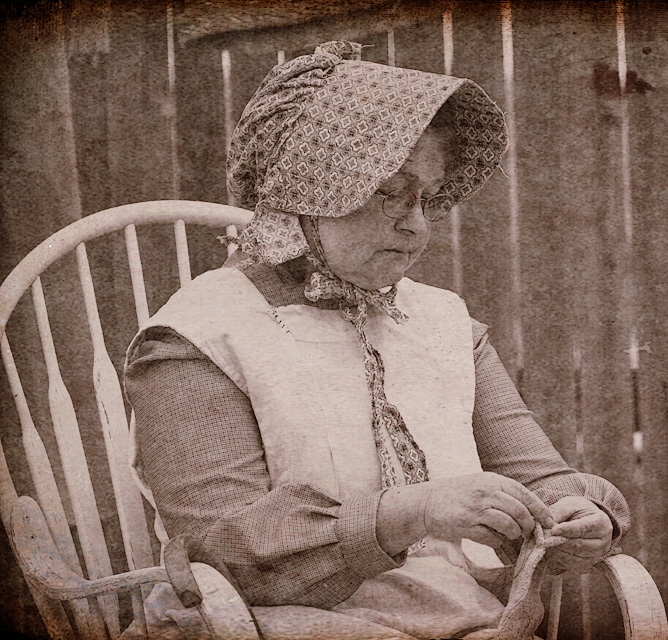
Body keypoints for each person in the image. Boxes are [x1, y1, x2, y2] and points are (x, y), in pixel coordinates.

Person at [124, 41, 630, 640]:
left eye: (426, 200)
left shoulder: (442, 325)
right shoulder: (198, 336)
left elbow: (539, 476)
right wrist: (415, 510)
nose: (416, 227)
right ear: (308, 188)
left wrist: (577, 515)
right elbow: (226, 554)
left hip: (463, 624)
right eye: (388, 192)